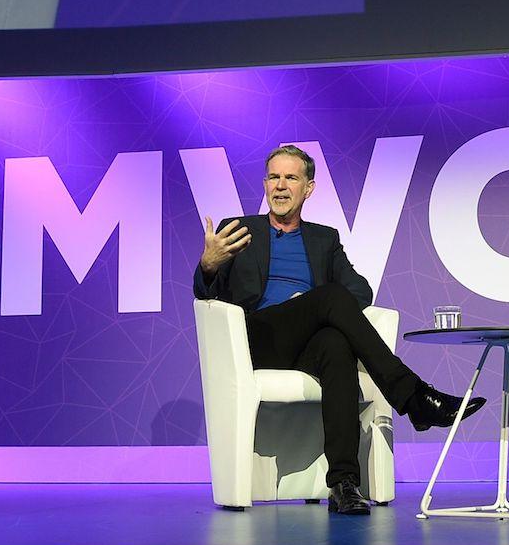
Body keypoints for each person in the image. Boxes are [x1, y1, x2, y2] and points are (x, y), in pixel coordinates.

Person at [194, 145, 486, 515]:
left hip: (305, 344)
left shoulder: (323, 239)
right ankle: (413, 397)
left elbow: (361, 291)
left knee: (336, 345)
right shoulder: (241, 230)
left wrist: (310, 304)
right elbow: (207, 296)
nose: (280, 186)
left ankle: (344, 484)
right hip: (258, 339)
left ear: (309, 188)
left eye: (291, 178)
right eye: (273, 177)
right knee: (329, 297)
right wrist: (207, 265)